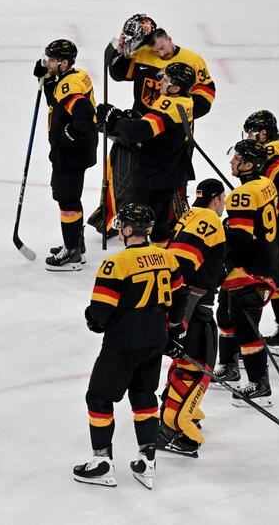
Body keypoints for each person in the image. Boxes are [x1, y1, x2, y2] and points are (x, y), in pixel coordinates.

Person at [74, 203, 183, 490]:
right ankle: (147, 461)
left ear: (129, 229)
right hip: (154, 342)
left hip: (123, 344)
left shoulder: (116, 264)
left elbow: (100, 312)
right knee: (144, 397)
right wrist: (171, 331)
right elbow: (179, 298)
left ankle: (102, 463)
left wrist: (92, 321)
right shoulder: (167, 257)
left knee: (98, 398)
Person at [90, 18, 216, 234]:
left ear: (170, 39)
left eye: (163, 47)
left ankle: (168, 223)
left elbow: (206, 95)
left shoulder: (192, 61)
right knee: (125, 173)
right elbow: (118, 73)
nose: (160, 53)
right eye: (156, 50)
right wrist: (120, 50)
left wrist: (177, 114)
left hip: (169, 131)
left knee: (169, 181)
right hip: (140, 126)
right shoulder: (144, 53)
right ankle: (118, 217)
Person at [158, 178, 227, 458]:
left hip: (186, 303)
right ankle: (172, 427)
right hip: (192, 304)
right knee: (198, 364)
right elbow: (183, 266)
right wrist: (180, 318)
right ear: (216, 200)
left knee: (186, 360)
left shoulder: (190, 213)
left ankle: (173, 412)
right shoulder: (210, 219)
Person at [96, 62, 196, 244]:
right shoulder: (186, 100)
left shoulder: (169, 105)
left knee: (135, 224)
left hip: (154, 176)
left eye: (166, 80)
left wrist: (115, 118)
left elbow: (136, 133)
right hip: (171, 173)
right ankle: (161, 257)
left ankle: (138, 263)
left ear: (175, 88)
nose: (161, 83)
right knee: (160, 224)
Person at [212, 140, 279, 407]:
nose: (232, 162)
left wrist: (219, 244)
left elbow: (239, 239)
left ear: (249, 165)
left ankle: (259, 384)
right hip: (258, 266)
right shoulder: (266, 184)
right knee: (225, 316)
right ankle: (229, 366)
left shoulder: (242, 196)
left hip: (248, 271)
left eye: (237, 158)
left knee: (245, 326)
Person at [35, 39, 98, 271]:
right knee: (71, 197)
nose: (47, 62)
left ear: (64, 62)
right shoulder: (75, 75)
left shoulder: (69, 86)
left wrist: (70, 134)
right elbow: (57, 101)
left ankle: (71, 253)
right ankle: (75, 243)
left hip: (72, 152)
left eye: (51, 60)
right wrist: (48, 77)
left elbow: (83, 111)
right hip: (78, 149)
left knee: (67, 200)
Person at [243, 111, 279, 355]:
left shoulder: (270, 155)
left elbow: (274, 193)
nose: (248, 137)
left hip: (276, 229)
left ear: (263, 133)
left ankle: (248, 338)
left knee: (260, 281)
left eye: (251, 132)